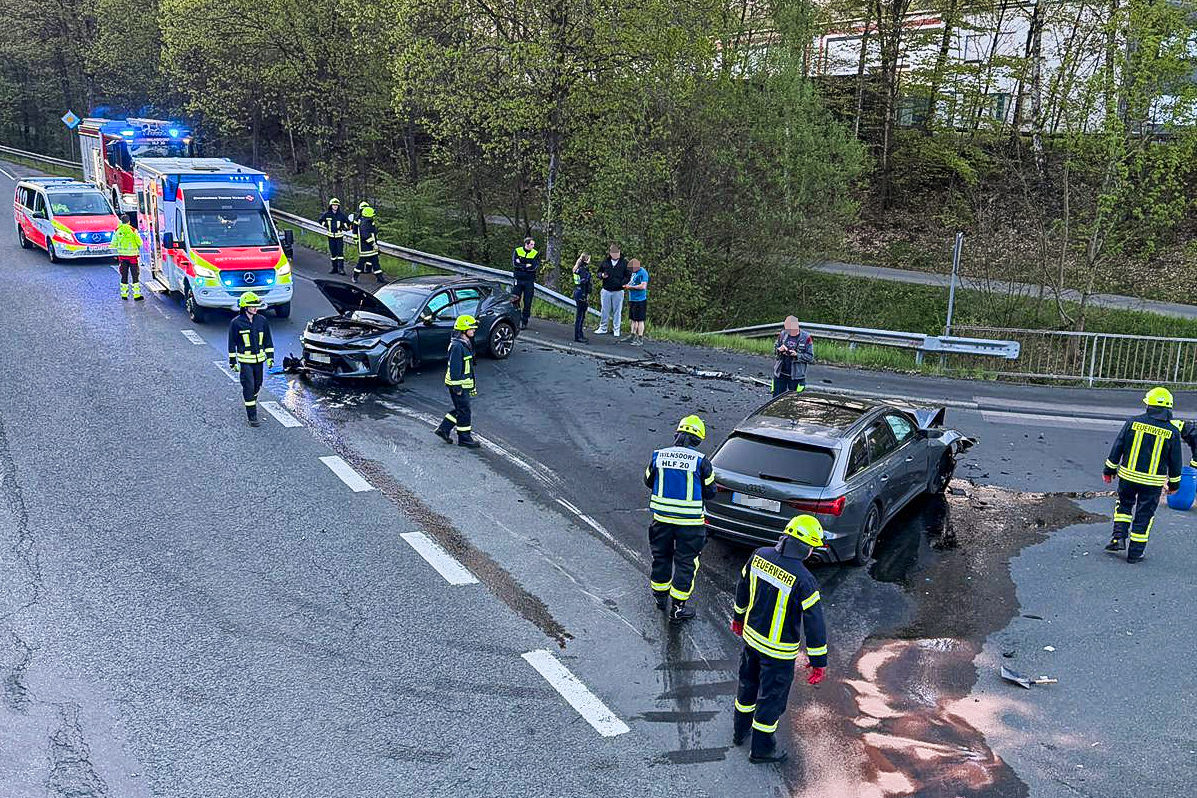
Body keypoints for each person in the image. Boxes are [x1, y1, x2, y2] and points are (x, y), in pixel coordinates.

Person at [731, 514, 829, 765]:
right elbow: (814, 623)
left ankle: (740, 732)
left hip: (751, 640)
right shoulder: (805, 580)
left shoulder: (758, 555)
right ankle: (762, 750)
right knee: (771, 699)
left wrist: (738, 618)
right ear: (806, 548)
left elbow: (742, 589)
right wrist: (818, 661)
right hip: (778, 652)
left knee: (747, 686)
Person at [644, 415, 717, 623]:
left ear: (677, 434)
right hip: (691, 525)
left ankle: (660, 598)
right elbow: (711, 492)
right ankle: (677, 609)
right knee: (686, 564)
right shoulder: (701, 461)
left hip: (662, 521)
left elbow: (648, 481)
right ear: (698, 440)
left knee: (661, 557)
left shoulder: (659, 456)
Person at [1102, 386, 1183, 562]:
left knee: (1123, 507)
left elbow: (1118, 447)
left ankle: (1118, 538)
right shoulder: (1172, 432)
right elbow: (1176, 462)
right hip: (1152, 483)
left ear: (1149, 405)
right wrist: (1174, 485)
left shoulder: (1133, 422)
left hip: (1128, 477)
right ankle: (1135, 553)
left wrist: (1109, 469)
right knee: (1144, 515)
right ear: (1168, 409)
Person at [433, 315, 482, 449]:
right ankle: (464, 439)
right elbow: (455, 368)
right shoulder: (457, 346)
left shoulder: (464, 343)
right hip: (458, 384)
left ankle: (444, 429)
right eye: (471, 328)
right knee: (464, 411)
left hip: (463, 383)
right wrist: (457, 387)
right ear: (463, 330)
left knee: (461, 409)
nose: (474, 330)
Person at [227, 292, 274, 428]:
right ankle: (252, 416)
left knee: (257, 385)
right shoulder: (236, 323)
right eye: (252, 306)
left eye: (256, 306)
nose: (255, 308)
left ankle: (251, 399)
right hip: (245, 361)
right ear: (244, 307)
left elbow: (267, 340)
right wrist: (233, 361)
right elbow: (232, 343)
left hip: (259, 361)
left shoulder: (262, 321)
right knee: (248, 386)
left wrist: (270, 358)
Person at [773, 316, 815, 396]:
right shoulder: (783, 334)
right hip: (780, 374)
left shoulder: (806, 337)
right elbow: (775, 351)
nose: (787, 329)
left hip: (797, 376)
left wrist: (797, 355)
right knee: (776, 399)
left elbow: (810, 357)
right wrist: (779, 350)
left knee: (795, 401)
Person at [594, 243, 629, 338]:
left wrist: (622, 283)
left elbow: (628, 276)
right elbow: (598, 272)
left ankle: (616, 329)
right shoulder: (605, 262)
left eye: (617, 252)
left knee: (617, 311)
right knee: (605, 310)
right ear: (610, 253)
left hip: (618, 291)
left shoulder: (624, 263)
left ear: (619, 252)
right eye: (613, 252)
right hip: (606, 289)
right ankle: (603, 328)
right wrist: (601, 275)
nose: (615, 254)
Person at [511, 236, 541, 330]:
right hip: (518, 279)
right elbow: (515, 264)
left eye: (533, 244)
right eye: (532, 244)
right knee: (515, 299)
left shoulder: (535, 253)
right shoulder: (518, 250)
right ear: (526, 244)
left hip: (529, 280)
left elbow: (534, 267)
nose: (533, 246)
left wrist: (522, 265)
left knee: (527, 302)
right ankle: (516, 318)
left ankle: (524, 321)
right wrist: (526, 266)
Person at [113, 213, 143, 301]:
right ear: (129, 221)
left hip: (122, 258)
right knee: (135, 276)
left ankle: (124, 295)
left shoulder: (117, 231)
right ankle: (136, 295)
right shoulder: (133, 230)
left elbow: (113, 243)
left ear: (121, 222)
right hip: (133, 257)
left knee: (124, 276)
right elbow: (140, 243)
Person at [317, 197, 351, 274]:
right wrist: (326, 225)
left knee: (340, 253)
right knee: (333, 253)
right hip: (331, 236)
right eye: (333, 205)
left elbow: (349, 224)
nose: (335, 206)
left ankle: (341, 269)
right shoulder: (327, 214)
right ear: (331, 206)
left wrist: (343, 227)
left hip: (339, 237)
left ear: (338, 206)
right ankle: (334, 268)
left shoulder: (341, 215)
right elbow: (320, 220)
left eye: (336, 205)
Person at [353, 205, 384, 284]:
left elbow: (373, 234)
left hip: (371, 248)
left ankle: (380, 278)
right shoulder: (364, 223)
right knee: (361, 263)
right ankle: (355, 277)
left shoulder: (368, 221)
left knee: (376, 263)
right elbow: (365, 235)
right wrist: (373, 244)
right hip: (365, 248)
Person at [624, 257, 649, 345]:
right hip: (632, 298)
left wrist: (630, 287)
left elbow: (643, 286)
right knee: (633, 319)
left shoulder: (643, 272)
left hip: (640, 300)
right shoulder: (634, 273)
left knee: (640, 319)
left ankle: (640, 338)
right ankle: (632, 335)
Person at [572, 253, 592, 343]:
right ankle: (578, 336)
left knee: (580, 315)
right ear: (586, 260)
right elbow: (583, 283)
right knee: (580, 316)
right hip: (581, 292)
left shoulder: (577, 268)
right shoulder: (583, 270)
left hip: (577, 291)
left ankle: (579, 334)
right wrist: (584, 295)